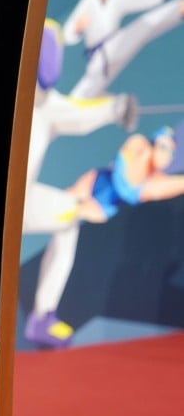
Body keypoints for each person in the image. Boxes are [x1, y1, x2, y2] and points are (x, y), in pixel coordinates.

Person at [20, 19, 137, 348]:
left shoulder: (47, 104)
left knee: (69, 219)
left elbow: (80, 113)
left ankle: (42, 317)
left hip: (19, 202)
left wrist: (116, 108)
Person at [23, 125, 184, 348]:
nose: (168, 155)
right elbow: (123, 182)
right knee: (25, 215)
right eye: (165, 147)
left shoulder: (153, 180)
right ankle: (41, 318)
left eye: (173, 152)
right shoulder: (139, 146)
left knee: (61, 257)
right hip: (73, 203)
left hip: (74, 214)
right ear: (155, 143)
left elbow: (166, 186)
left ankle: (42, 318)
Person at [63, 0, 181, 98]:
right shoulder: (89, 0)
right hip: (100, 58)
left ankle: (178, 9)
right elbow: (67, 32)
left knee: (143, 27)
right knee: (83, 95)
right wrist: (77, 28)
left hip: (115, 47)